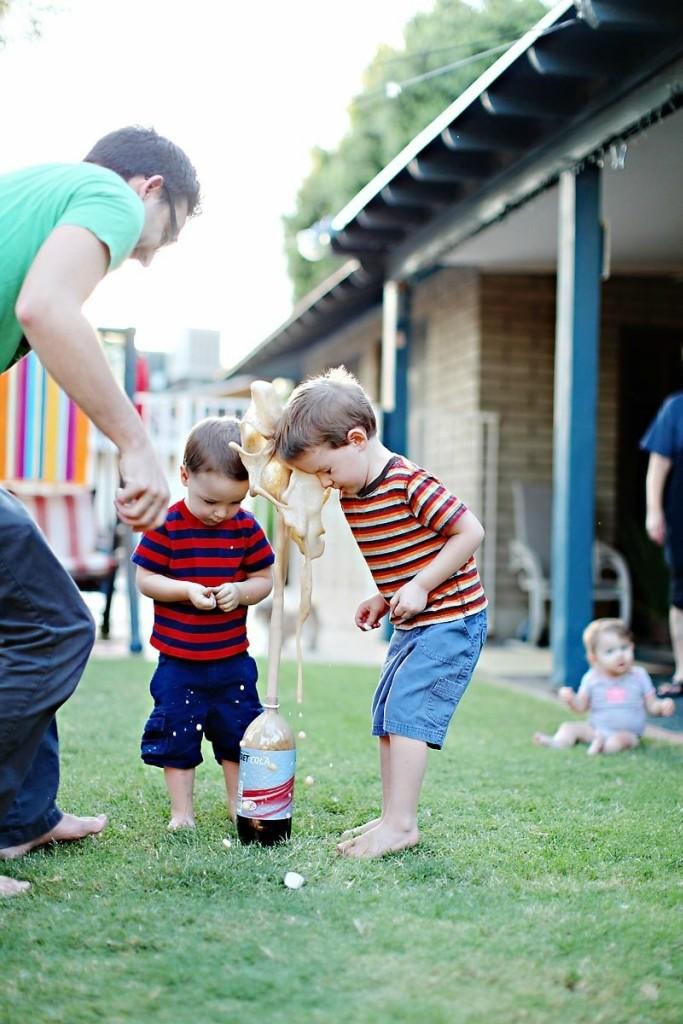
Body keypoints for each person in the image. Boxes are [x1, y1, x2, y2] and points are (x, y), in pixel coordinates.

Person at [0, 126, 200, 897]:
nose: (144, 257)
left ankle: (23, 816)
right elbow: (46, 308)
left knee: (29, 615)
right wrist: (135, 441)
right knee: (53, 625)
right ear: (150, 188)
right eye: (164, 234)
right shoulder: (107, 194)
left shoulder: (36, 194)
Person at [274, 366, 487, 859]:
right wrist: (386, 595)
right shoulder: (353, 493)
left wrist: (421, 585)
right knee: (389, 711)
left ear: (356, 440)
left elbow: (470, 532)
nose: (324, 483)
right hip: (415, 620)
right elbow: (405, 551)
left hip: (452, 618)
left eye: (326, 470)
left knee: (408, 712)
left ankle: (402, 825)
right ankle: (393, 815)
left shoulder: (408, 481)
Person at [132, 417, 274, 830]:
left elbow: (263, 579)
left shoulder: (246, 527)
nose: (220, 513)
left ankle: (237, 804)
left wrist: (241, 591)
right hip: (179, 662)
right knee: (176, 735)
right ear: (185, 476)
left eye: (234, 502)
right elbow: (146, 579)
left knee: (238, 734)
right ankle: (182, 813)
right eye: (211, 501)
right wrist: (185, 590)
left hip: (232, 661)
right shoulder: (166, 525)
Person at [533, 617, 674, 755]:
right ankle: (558, 742)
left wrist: (662, 707)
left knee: (618, 741)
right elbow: (581, 707)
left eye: (624, 648)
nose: (620, 655)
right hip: (596, 729)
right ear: (594, 658)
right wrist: (571, 699)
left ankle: (602, 748)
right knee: (568, 728)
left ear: (632, 647)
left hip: (628, 733)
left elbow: (651, 705)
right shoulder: (592, 678)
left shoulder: (639, 676)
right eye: (610, 651)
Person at [641, 391, 683, 697]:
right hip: (680, 514)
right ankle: (682, 673)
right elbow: (659, 463)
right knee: (681, 595)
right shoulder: (676, 407)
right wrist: (654, 511)